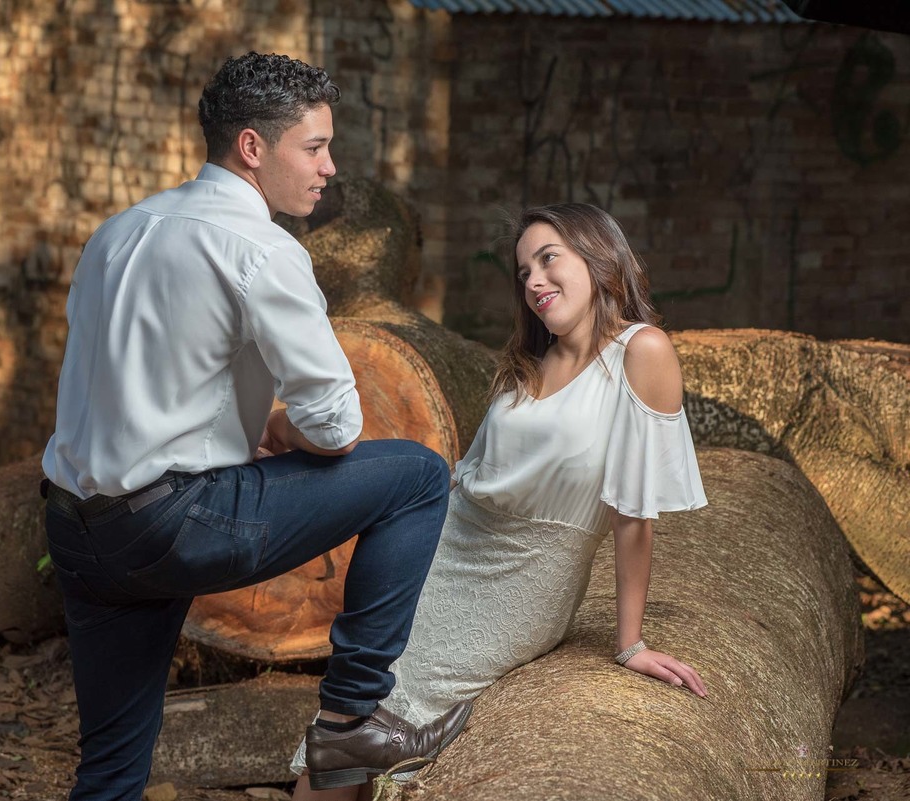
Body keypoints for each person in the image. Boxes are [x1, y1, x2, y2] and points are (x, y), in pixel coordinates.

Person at [40, 52, 471, 801]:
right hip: (177, 520)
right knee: (415, 476)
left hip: (78, 528)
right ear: (252, 147)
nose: (329, 167)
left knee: (109, 772)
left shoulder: (118, 232)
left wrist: (262, 422)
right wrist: (284, 427)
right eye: (313, 147)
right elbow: (335, 424)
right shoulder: (262, 249)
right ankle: (347, 720)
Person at [290, 202, 710, 800]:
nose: (534, 281)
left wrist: (630, 644)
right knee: (349, 714)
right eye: (523, 272)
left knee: (383, 713)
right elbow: (469, 478)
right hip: (441, 549)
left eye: (548, 259)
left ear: (598, 255)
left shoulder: (642, 353)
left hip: (523, 578)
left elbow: (633, 516)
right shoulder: (528, 360)